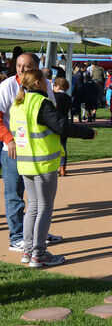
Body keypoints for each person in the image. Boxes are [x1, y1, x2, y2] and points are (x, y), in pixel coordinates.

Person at [9, 69, 94, 266]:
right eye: (46, 81)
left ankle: (28, 250)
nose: (49, 84)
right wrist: (87, 133)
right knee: (44, 208)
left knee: (33, 206)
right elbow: (61, 126)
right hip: (43, 162)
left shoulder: (18, 103)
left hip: (25, 161)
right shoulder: (41, 102)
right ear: (37, 83)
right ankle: (39, 253)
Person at [0, 52, 59, 252]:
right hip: (13, 150)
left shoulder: (45, 84)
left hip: (36, 151)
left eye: (26, 66)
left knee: (39, 199)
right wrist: (9, 139)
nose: (22, 69)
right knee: (15, 195)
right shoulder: (7, 86)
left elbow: (51, 113)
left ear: (36, 67)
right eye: (19, 65)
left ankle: (37, 233)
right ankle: (17, 237)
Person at [52, 78, 72, 177]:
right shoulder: (68, 98)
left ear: (58, 86)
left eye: (54, 86)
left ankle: (54, 167)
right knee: (63, 146)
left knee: (53, 146)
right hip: (64, 122)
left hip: (54, 123)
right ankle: (63, 168)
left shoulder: (53, 97)